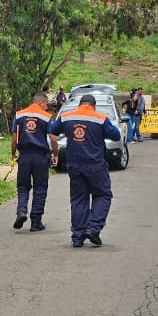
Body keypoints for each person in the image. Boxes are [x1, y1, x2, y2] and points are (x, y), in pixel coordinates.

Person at [48, 93, 121, 247]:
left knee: (78, 199)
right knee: (103, 195)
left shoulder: (66, 117)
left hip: (74, 166)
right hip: (95, 166)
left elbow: (53, 131)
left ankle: (77, 237)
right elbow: (115, 136)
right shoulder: (100, 118)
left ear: (79, 104)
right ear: (93, 106)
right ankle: (93, 229)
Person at [11, 90, 55, 232]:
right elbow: (53, 138)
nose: (47, 108)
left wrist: (13, 154)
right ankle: (36, 222)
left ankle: (21, 211)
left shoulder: (19, 115)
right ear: (41, 102)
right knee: (40, 188)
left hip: (24, 156)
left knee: (23, 187)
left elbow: (14, 138)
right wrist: (55, 153)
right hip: (41, 158)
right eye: (46, 104)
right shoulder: (47, 117)